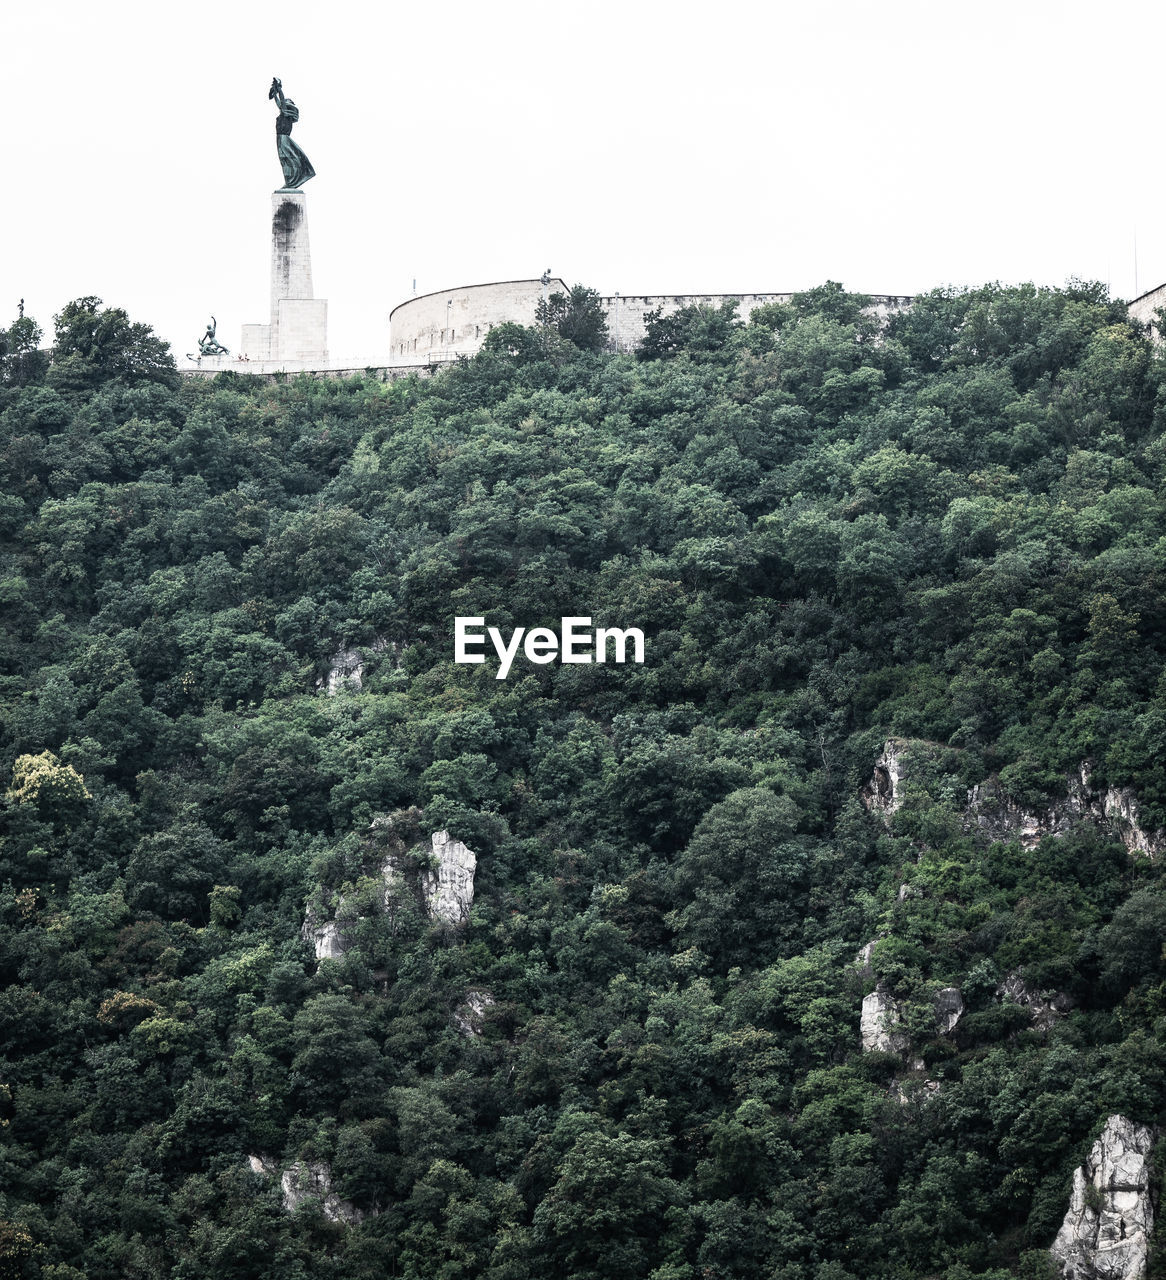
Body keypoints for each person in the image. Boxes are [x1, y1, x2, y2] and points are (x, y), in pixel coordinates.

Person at [269, 78, 316, 190]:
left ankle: (290, 182)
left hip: (283, 137)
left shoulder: (286, 113)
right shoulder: (284, 113)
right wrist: (275, 92)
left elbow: (281, 101)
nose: (282, 105)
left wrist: (279, 89)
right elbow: (278, 102)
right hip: (281, 138)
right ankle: (290, 182)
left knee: (286, 159)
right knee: (285, 160)